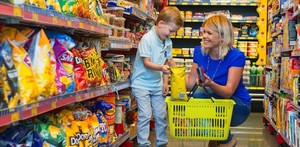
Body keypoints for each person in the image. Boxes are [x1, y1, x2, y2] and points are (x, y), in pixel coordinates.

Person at [186, 14, 251, 147]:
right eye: (203, 31)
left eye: (209, 33)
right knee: (195, 96)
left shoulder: (236, 56)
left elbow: (228, 92)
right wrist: (176, 74)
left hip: (237, 106)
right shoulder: (200, 52)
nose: (204, 36)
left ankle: (227, 140)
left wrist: (211, 84)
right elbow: (189, 85)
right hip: (214, 102)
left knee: (199, 95)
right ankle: (217, 134)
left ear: (222, 36)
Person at [130, 6, 183, 147]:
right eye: (171, 31)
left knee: (161, 116)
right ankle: (143, 144)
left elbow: (167, 62)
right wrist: (162, 68)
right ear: (161, 24)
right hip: (141, 84)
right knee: (145, 115)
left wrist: (166, 82)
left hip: (157, 84)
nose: (171, 34)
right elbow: (147, 63)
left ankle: (162, 143)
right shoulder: (147, 39)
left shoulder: (168, 42)